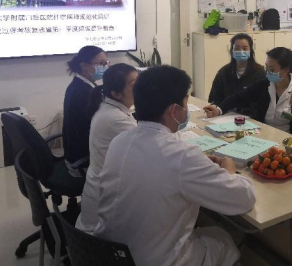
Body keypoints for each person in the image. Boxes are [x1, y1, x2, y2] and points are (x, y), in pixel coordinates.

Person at [94, 65, 256, 266]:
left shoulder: (119, 141)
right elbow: (243, 199)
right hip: (155, 260)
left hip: (109, 255)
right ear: (174, 110)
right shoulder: (182, 156)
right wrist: (230, 171)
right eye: (186, 101)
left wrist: (199, 165)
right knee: (224, 238)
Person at [75, 63, 138, 233]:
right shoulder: (116, 119)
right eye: (134, 85)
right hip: (102, 233)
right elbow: (152, 151)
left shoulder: (108, 106)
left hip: (101, 191)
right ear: (116, 93)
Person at [204, 47, 292, 135]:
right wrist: (219, 109)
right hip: (262, 134)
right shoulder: (264, 84)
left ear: (286, 69)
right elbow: (240, 97)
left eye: (272, 69)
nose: (268, 72)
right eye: (266, 68)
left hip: (286, 139)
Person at [63, 45, 109, 176]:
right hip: (82, 160)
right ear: (84, 66)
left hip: (75, 153)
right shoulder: (83, 93)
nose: (105, 67)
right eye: (101, 64)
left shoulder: (79, 85)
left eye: (106, 63)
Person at [208, 33, 266, 118]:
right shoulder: (224, 72)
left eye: (245, 48)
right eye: (237, 48)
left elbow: (261, 102)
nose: (241, 51)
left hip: (249, 117)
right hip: (224, 115)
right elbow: (215, 97)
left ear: (250, 50)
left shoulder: (259, 72)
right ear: (232, 50)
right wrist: (217, 109)